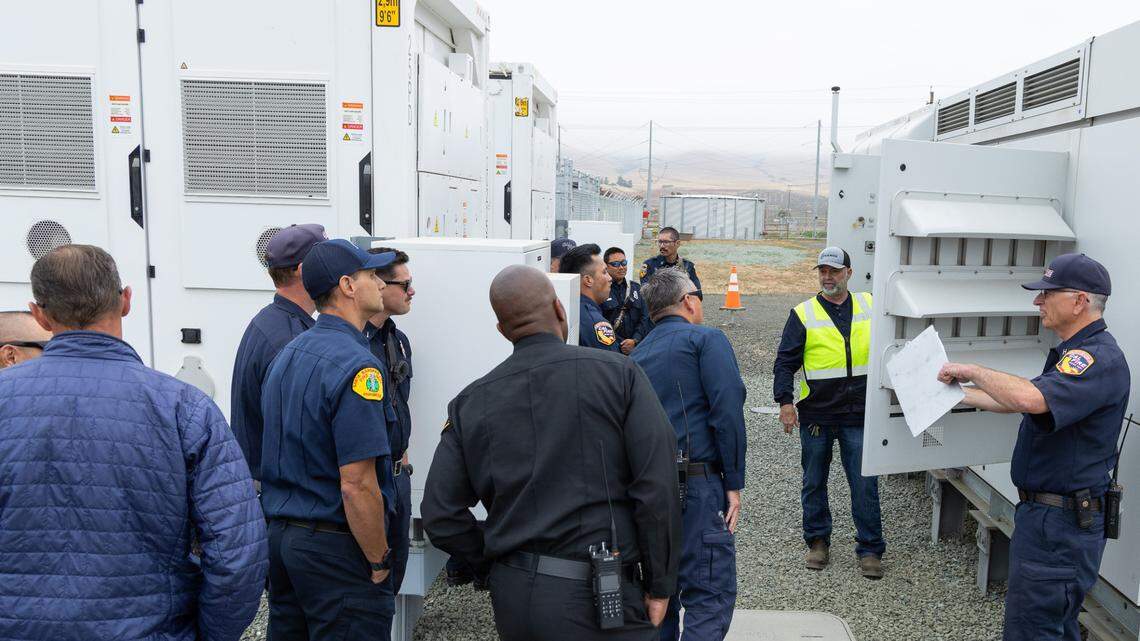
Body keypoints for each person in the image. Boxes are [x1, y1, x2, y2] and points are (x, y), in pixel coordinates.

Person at [0, 245, 267, 641]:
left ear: (39, 314)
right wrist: (208, 633)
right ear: (126, 300)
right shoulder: (184, 408)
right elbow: (237, 553)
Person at [422, 265, 682, 641]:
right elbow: (657, 484)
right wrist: (660, 583)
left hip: (517, 598)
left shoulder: (469, 403)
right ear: (560, 310)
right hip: (600, 595)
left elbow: (440, 514)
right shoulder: (619, 375)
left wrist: (494, 561)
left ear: (502, 330)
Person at [937, 253, 1129, 641]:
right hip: (1050, 518)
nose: (1037, 301)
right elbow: (1024, 400)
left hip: (1060, 526)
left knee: (1034, 630)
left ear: (1078, 301)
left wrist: (972, 370)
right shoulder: (1072, 354)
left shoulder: (1094, 359)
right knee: (1051, 627)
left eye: (1047, 293)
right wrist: (960, 395)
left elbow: (1031, 400)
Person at [260, 239, 401, 640]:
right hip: (334, 549)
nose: (380, 281)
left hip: (285, 543)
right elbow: (357, 483)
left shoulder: (289, 353)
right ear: (348, 286)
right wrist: (378, 558)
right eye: (371, 274)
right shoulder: (359, 367)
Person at [632, 268, 746, 641]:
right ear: (689, 301)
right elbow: (726, 411)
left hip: (648, 491)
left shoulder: (635, 357)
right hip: (697, 484)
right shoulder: (706, 340)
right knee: (708, 592)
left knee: (658, 596)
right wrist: (733, 482)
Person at [772, 246, 885, 579]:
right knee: (814, 480)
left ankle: (870, 549)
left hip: (859, 413)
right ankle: (818, 541)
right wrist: (785, 402)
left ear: (848, 273)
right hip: (818, 415)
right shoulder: (803, 313)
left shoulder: (870, 305)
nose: (827, 277)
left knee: (864, 484)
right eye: (822, 270)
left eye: (834, 271)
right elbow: (785, 362)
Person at [231, 223, 326, 481]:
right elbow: (296, 437)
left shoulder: (271, 321)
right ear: (303, 271)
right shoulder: (290, 339)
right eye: (324, 261)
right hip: (281, 493)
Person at [363, 246, 417, 592]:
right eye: (405, 284)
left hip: (397, 477)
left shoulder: (397, 341)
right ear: (378, 286)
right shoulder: (353, 349)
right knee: (370, 579)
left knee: (395, 573)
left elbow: (399, 403)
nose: (412, 291)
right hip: (368, 481)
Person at [561, 243, 618, 352]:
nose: (610, 278)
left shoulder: (564, 308)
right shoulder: (597, 324)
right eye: (604, 272)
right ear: (588, 280)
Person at [602, 247, 652, 355]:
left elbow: (645, 318)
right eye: (615, 264)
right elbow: (599, 322)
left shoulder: (636, 289)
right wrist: (622, 344)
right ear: (606, 266)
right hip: (609, 350)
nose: (621, 267)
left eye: (624, 263)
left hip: (635, 349)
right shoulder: (601, 290)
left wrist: (634, 340)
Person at [640, 227, 701, 300]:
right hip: (658, 310)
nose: (662, 246)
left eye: (666, 242)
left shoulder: (687, 266)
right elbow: (646, 294)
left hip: (680, 309)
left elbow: (697, 294)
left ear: (677, 243)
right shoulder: (650, 265)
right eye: (659, 242)